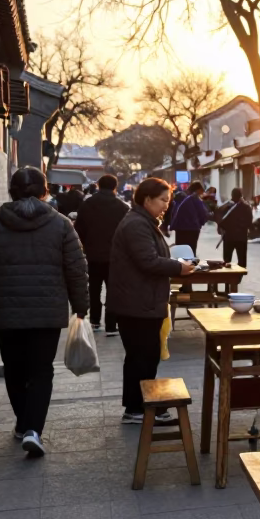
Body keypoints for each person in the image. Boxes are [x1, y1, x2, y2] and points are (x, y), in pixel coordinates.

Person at [0, 167, 89, 457]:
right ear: (45, 191)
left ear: (12, 191)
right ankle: (33, 429)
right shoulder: (60, 225)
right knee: (41, 370)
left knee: (15, 368)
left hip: (5, 312)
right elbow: (77, 269)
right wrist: (81, 306)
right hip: (46, 311)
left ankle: (23, 424)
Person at [109, 177, 195, 424]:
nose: (166, 205)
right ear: (147, 199)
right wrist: (179, 267)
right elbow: (148, 261)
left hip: (142, 300)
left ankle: (141, 405)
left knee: (144, 356)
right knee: (142, 357)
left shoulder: (144, 221)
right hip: (136, 303)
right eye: (162, 200)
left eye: (168, 200)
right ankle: (138, 408)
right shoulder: (137, 224)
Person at [73, 173, 129, 337]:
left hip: (93, 255)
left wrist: (85, 246)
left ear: (98, 185)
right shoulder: (123, 207)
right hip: (115, 257)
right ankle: (111, 325)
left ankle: (95, 321)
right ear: (115, 187)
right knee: (113, 290)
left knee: (94, 288)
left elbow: (79, 230)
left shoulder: (87, 204)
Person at [215, 187, 253, 267]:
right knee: (242, 260)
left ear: (232, 195)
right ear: (241, 196)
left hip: (228, 236)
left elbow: (219, 217)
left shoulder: (226, 206)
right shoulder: (246, 207)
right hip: (241, 237)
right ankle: (239, 277)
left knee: (227, 260)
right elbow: (249, 223)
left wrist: (223, 228)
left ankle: (227, 277)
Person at [169, 181, 208, 254]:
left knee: (180, 250)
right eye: (201, 190)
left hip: (180, 228)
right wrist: (201, 222)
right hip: (192, 229)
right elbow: (202, 213)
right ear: (198, 190)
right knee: (191, 251)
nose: (202, 193)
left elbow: (173, 210)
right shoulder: (195, 198)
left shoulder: (181, 196)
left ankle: (180, 264)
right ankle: (189, 264)